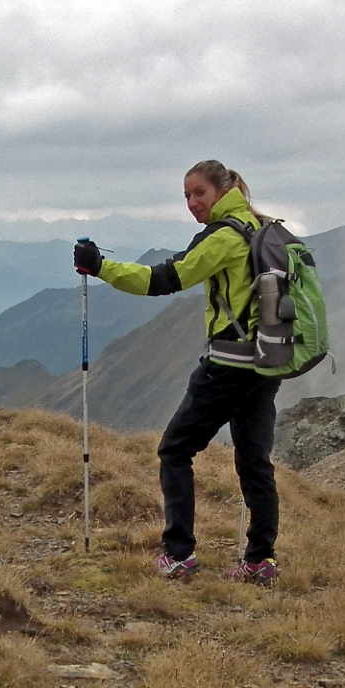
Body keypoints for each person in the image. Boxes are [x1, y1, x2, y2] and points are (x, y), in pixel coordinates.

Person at [73, 160, 280, 584]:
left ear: (223, 189)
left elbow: (165, 278)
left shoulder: (225, 236)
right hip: (266, 361)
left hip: (229, 365)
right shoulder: (259, 227)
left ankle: (179, 553)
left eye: (199, 193)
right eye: (186, 195)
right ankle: (260, 560)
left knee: (175, 450)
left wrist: (101, 267)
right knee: (255, 461)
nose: (192, 203)